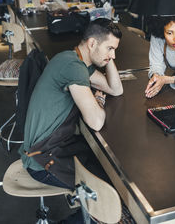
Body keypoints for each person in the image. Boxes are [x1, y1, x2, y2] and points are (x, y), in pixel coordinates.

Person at [19, 18, 123, 191]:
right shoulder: (73, 67)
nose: (113, 55)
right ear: (92, 43)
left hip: (56, 146)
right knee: (111, 188)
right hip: (42, 159)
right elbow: (96, 122)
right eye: (110, 49)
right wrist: (99, 101)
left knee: (107, 170)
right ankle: (77, 218)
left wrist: (107, 56)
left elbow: (115, 89)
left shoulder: (75, 59)